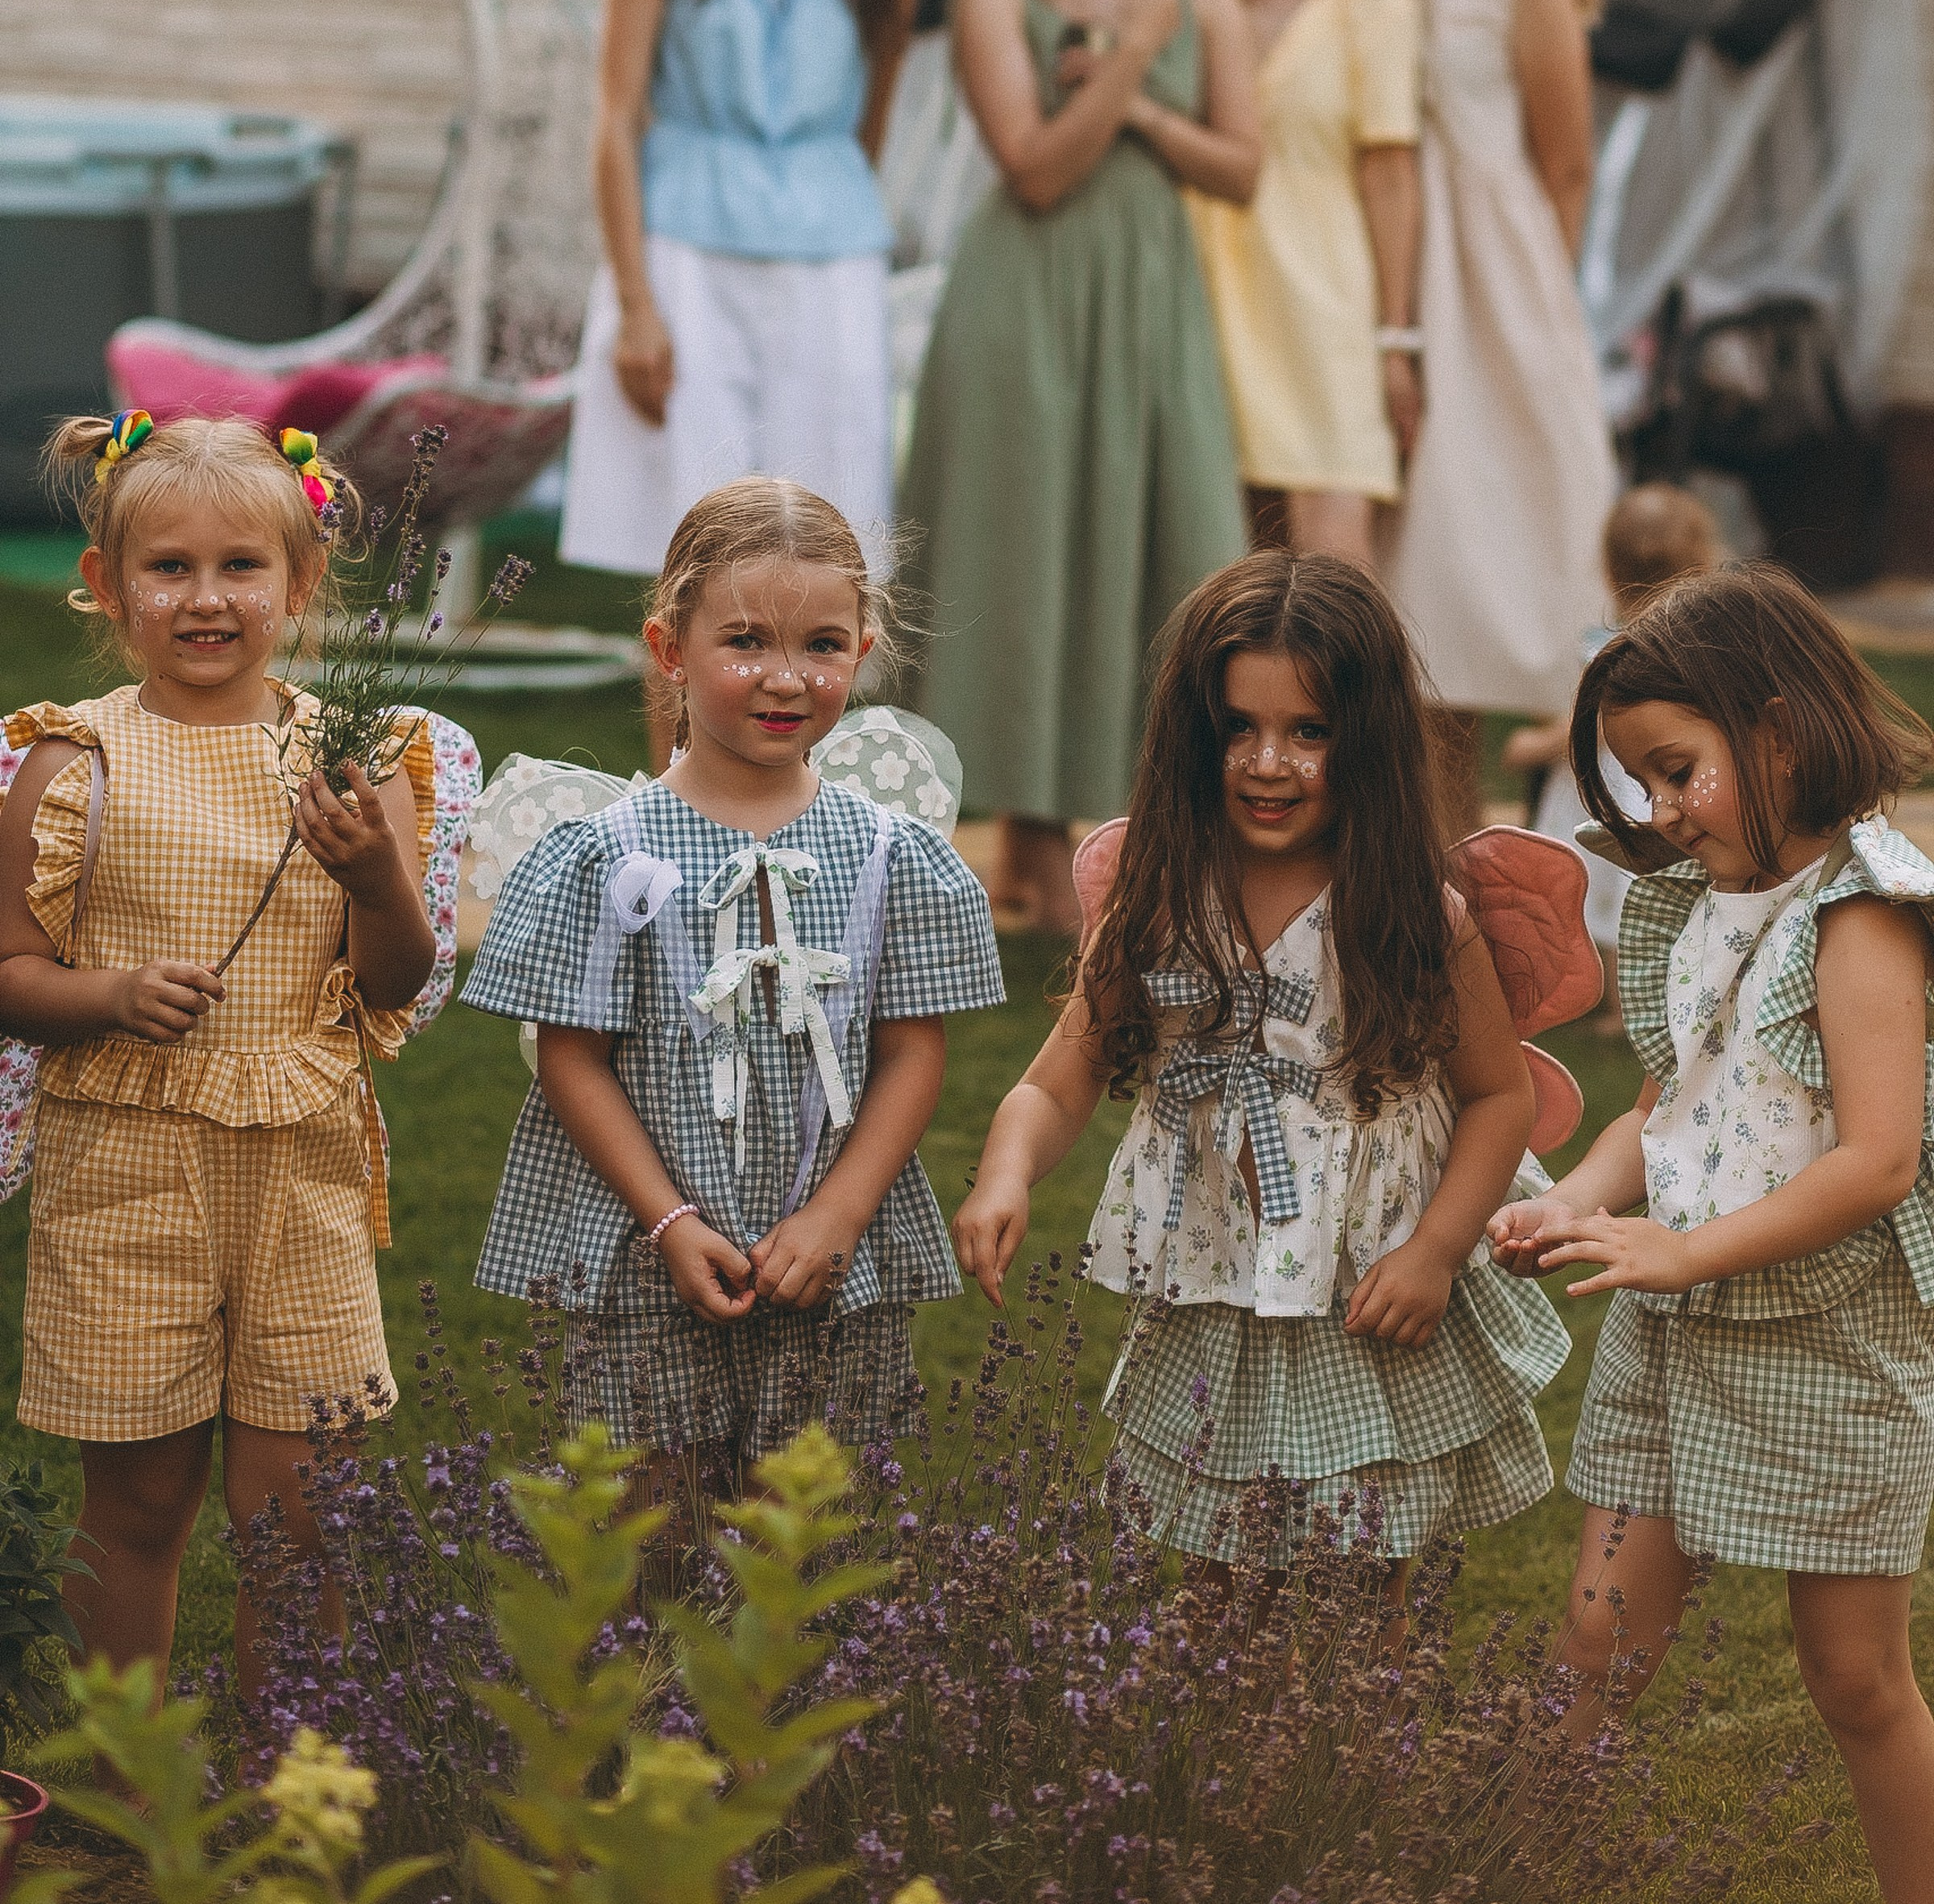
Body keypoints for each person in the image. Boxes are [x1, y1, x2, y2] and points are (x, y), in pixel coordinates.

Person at [953, 553, 1568, 1566]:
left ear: (1363, 741)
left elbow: (1499, 1094)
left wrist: (1435, 1252)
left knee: (1362, 1574)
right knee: (1217, 1567)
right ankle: (1238, 1730)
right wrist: (1008, 1170)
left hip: (1366, 1283)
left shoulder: (1412, 912)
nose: (1268, 761)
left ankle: (1352, 1731)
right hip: (1216, 1276)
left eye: (1309, 731)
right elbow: (1055, 1078)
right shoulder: (1158, 901)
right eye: (1238, 726)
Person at [1492, 565, 1934, 1904]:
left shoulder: (1862, 914)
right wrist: (1580, 1193)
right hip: (1674, 1326)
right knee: (1598, 1635)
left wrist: (1682, 1247)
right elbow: (1674, 1097)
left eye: (1678, 768)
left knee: (1855, 1675)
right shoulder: (1695, 900)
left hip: (1827, 1332)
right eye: (1640, 781)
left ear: (1783, 731)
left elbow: (1878, 1158)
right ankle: (1519, 1873)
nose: (1661, 810)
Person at [0, 413, 438, 1690]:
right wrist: (106, 993)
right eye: (168, 567)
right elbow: (11, 974)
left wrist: (377, 880)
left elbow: (393, 982)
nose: (207, 596)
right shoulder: (69, 761)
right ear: (104, 587)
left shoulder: (355, 760)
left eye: (242, 566)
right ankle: (130, 1800)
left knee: (300, 1519)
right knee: (135, 1503)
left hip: (300, 1182)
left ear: (300, 583)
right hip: (125, 1179)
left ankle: (277, 1798)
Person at [463, 477, 1004, 1497]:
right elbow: (572, 1059)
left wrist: (840, 1214)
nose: (786, 678)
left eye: (824, 645)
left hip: (831, 1253)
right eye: (746, 639)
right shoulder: (603, 851)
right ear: (669, 649)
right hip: (650, 1245)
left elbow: (913, 1053)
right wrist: (669, 1222)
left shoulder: (893, 854)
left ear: (865, 652)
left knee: (800, 1542)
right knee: (653, 1528)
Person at [899, 0, 1259, 938]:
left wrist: (1134, 87)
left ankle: (1154, 839)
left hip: (1153, 293)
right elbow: (1038, 166)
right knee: (1024, 556)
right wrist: (1133, 59)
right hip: (1027, 297)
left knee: (1181, 551)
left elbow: (1242, 167)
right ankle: (1032, 854)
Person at [561, 0, 919, 578]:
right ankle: (680, 727)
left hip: (831, 262)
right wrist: (637, 304)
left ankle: (801, 722)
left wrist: (821, 201)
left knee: (823, 542)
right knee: (683, 545)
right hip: (685, 253)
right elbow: (615, 114)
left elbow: (870, 115)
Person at [1375, 0, 1617, 812]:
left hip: (1496, 278)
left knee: (1509, 548)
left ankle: (1587, 861)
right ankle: (1429, 859)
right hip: (1384, 259)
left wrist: (1538, 317)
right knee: (1412, 583)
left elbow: (1565, 164)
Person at [1192, 0, 1421, 569]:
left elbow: (1392, 175)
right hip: (1208, 282)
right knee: (1221, 553)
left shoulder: (1378, 2)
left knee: (1332, 557)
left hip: (1325, 297)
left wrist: (1397, 337)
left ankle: (1352, 702)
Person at [1504, 482, 1724, 1035]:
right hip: (1661, 783)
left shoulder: (1611, 647)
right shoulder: (1700, 643)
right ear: (1702, 563)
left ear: (1607, 570)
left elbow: (1587, 723)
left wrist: (1530, 746)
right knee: (1641, 890)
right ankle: (1652, 997)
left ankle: (1618, 1004)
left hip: (1608, 786)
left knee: (1604, 884)